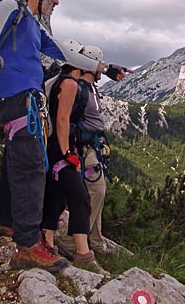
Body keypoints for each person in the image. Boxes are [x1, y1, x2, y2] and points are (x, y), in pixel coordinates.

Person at [0, 0, 126, 271]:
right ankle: (27, 246)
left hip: (22, 99)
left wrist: (103, 68)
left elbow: (64, 54)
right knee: (32, 167)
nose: (56, 2)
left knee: (17, 159)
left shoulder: (30, 23)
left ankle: (5, 221)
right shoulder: (9, 8)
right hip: (15, 97)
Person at [41, 39, 109, 275]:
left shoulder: (58, 81)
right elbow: (62, 120)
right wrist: (68, 152)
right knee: (81, 198)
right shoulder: (70, 85)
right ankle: (82, 254)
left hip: (56, 148)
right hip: (63, 150)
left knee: (56, 198)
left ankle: (48, 244)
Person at [58, 45, 112, 258]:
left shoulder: (90, 89)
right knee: (95, 190)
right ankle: (73, 240)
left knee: (98, 190)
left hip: (93, 147)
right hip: (85, 149)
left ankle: (95, 239)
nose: (100, 71)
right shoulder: (79, 88)